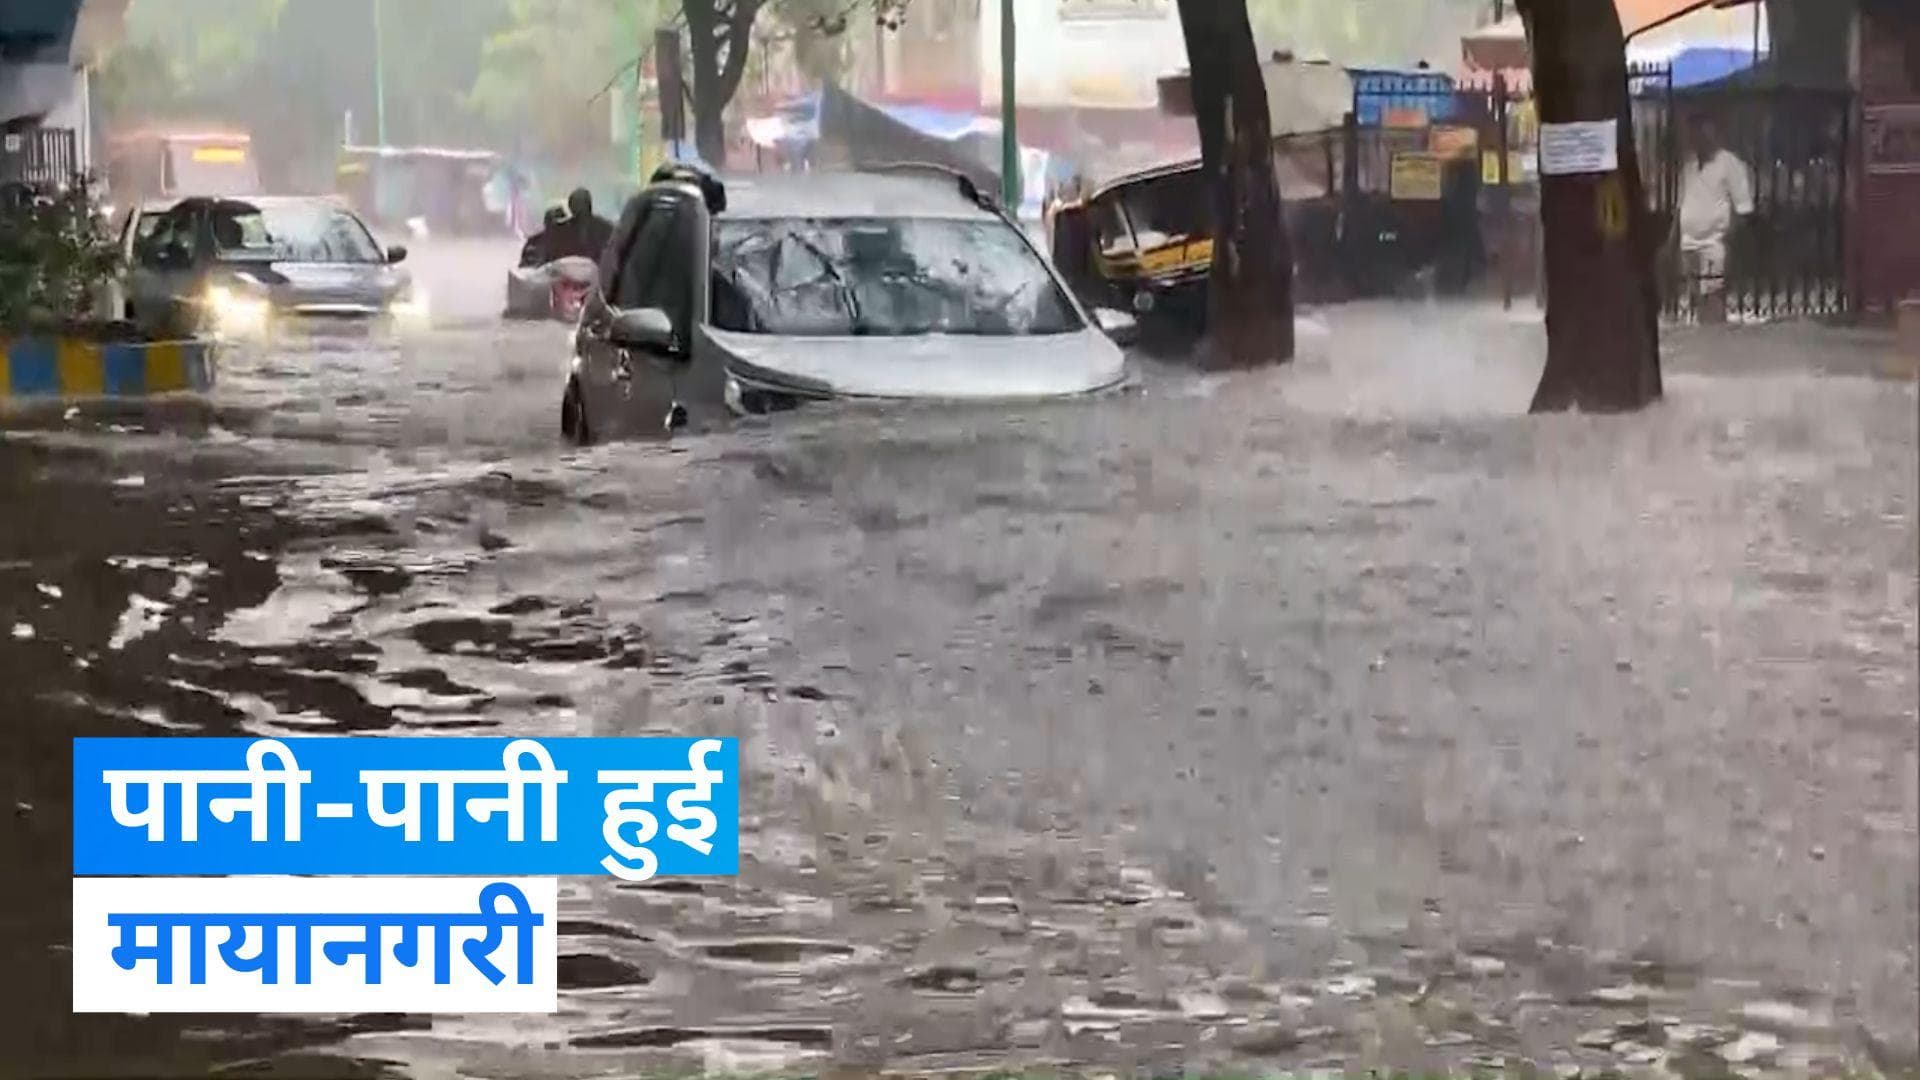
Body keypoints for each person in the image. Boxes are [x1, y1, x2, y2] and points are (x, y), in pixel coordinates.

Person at [1677, 114, 1753, 325]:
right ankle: (1701, 340)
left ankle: (1714, 340)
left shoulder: (1729, 163)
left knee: (1713, 295)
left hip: (1713, 243)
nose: (1696, 137)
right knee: (1694, 297)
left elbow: (1743, 208)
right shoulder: (1689, 164)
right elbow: (1680, 204)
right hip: (1688, 241)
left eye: (1702, 130)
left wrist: (1726, 240)